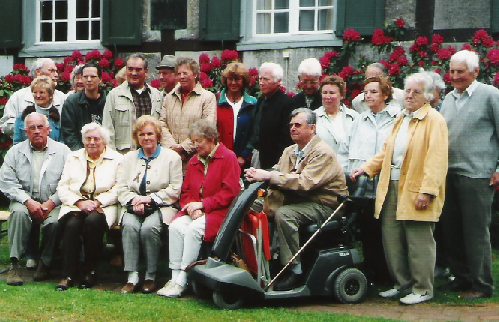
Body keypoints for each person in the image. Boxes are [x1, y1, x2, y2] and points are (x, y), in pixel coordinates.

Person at [351, 72, 448, 305]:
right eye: (408, 90)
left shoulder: (434, 120)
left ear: (427, 96)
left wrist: (427, 191)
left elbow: (437, 159)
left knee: (418, 240)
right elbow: (387, 152)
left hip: (416, 188)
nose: (410, 95)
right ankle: (401, 284)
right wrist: (366, 168)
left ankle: (423, 288)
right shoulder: (402, 118)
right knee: (391, 237)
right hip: (391, 185)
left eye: (416, 91)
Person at [245, 108, 348, 291]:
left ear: (312, 128)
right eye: (291, 125)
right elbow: (277, 170)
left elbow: (304, 183)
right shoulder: (290, 151)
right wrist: (258, 174)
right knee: (251, 204)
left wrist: (268, 177)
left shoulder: (323, 152)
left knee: (285, 214)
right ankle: (256, 259)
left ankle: (293, 269)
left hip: (324, 203)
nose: (292, 128)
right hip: (300, 199)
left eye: (298, 125)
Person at [157, 119, 241, 298]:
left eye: (198, 141)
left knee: (194, 230)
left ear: (211, 138)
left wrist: (204, 205)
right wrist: (191, 208)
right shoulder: (195, 161)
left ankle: (183, 278)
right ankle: (174, 276)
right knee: (176, 227)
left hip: (220, 213)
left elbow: (230, 193)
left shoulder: (228, 157)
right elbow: (186, 191)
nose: (195, 146)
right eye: (193, 141)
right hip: (195, 210)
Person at [439, 50, 499, 299]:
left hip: (477, 174)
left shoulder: (490, 95)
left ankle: (482, 284)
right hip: (448, 173)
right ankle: (462, 279)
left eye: (460, 72)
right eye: (452, 71)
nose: (454, 76)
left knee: (476, 232)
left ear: (475, 72)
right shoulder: (448, 99)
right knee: (451, 230)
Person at [0, 112, 70, 286]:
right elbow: (6, 181)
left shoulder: (64, 152)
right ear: (26, 132)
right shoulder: (15, 152)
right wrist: (27, 201)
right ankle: (14, 265)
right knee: (17, 213)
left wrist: (52, 202)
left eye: (40, 127)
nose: (37, 131)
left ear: (49, 130)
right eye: (32, 128)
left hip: (53, 202)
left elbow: (69, 182)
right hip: (25, 201)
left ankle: (44, 263)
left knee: (54, 222)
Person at [117, 115, 182, 294]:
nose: (146, 138)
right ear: (136, 137)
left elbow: (175, 189)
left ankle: (150, 276)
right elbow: (120, 186)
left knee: (149, 228)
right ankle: (132, 276)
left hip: (162, 206)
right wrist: (134, 201)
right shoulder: (128, 158)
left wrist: (150, 199)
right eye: (142, 134)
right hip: (133, 205)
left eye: (150, 134)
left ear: (158, 136)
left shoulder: (172, 158)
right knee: (129, 226)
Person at [344, 76, 400, 283]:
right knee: (368, 227)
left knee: (387, 228)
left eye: (374, 92)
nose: (368, 95)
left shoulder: (397, 117)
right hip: (363, 182)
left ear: (385, 95)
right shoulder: (360, 119)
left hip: (387, 180)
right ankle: (372, 270)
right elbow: (350, 147)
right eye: (366, 92)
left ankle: (390, 274)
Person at [56, 123, 122, 291]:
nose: (92, 142)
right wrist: (79, 202)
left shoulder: (117, 159)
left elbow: (119, 188)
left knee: (93, 222)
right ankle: (68, 274)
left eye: (96, 139)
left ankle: (90, 271)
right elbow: (62, 187)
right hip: (78, 203)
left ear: (104, 141)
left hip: (104, 205)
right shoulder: (74, 157)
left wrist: (99, 202)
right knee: (72, 225)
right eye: (88, 138)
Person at [160, 57, 217, 167]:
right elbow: (161, 124)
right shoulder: (169, 98)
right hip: (170, 160)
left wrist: (183, 148)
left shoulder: (207, 98)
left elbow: (207, 128)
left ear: (195, 74)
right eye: (178, 73)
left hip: (197, 160)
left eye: (185, 73)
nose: (181, 77)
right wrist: (173, 148)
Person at [102, 53, 163, 154]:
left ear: (146, 72)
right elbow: (107, 130)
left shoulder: (157, 96)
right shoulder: (114, 95)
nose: (134, 73)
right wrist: (112, 158)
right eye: (130, 69)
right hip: (124, 156)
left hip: (152, 155)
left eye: (138, 69)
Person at [0, 58, 66, 136]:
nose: (56, 75)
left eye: (56, 71)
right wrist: (28, 127)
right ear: (38, 72)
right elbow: (5, 125)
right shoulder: (18, 97)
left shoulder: (62, 97)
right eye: (51, 71)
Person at [249, 62, 293, 169]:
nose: (261, 83)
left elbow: (286, 137)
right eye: (260, 79)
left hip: (276, 160)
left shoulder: (286, 103)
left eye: (266, 79)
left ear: (278, 82)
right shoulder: (261, 100)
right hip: (258, 156)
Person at [216, 62, 257, 169]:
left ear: (243, 81)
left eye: (237, 79)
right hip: (219, 159)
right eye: (230, 79)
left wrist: (244, 156)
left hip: (244, 162)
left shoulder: (252, 103)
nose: (233, 83)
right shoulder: (216, 101)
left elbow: (255, 132)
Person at [314, 75, 359, 169]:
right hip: (320, 170)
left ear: (341, 95)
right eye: (324, 92)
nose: (327, 96)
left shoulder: (354, 117)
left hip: (346, 171)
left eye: (332, 93)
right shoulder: (313, 117)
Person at [61, 63, 106, 150]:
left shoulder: (108, 101)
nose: (89, 80)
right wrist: (81, 154)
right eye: (85, 77)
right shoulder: (71, 102)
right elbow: (69, 133)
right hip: (80, 153)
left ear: (100, 79)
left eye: (93, 76)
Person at [13, 76, 61, 144]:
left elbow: (62, 142)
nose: (37, 96)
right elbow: (17, 143)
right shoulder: (23, 117)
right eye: (35, 92)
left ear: (50, 95)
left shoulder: (57, 118)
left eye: (41, 92)